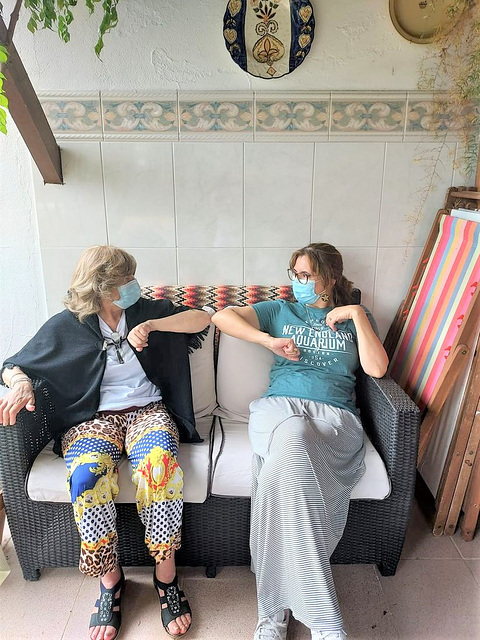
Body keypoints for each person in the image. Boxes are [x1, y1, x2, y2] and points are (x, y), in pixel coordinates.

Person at [0, 246, 211, 640]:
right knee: (85, 478)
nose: (134, 284)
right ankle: (110, 582)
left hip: (147, 411)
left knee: (161, 469)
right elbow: (15, 363)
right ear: (101, 288)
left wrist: (155, 328)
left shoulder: (150, 310)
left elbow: (202, 319)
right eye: (124, 280)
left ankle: (166, 579)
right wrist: (21, 382)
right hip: (92, 420)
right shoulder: (70, 325)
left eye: (132, 276)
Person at [211, 242, 388, 640]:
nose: (298, 282)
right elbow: (222, 317)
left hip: (335, 419)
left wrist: (357, 314)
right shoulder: (280, 310)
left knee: (281, 473)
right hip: (278, 410)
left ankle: (273, 613)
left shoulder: (356, 318)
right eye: (295, 274)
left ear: (331, 278)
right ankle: (326, 624)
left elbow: (377, 368)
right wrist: (267, 342)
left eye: (306, 275)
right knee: (291, 436)